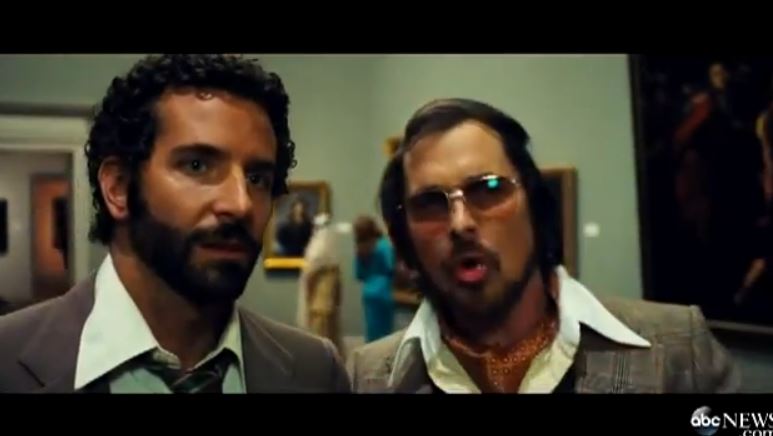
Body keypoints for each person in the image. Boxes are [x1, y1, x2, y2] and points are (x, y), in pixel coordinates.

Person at [0, 54, 350, 393]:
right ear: (118, 187)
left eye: (257, 178)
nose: (240, 204)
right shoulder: (7, 360)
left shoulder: (315, 371)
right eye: (197, 165)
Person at [347, 98, 740, 393]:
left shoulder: (678, 350)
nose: (461, 223)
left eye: (488, 188)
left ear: (535, 205)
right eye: (431, 203)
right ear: (404, 239)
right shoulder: (365, 378)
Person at [297, 213, 343, 353]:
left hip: (321, 303)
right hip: (323, 303)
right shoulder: (327, 250)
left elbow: (310, 278)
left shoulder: (319, 248)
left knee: (322, 340)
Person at [353, 215, 396, 343]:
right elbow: (391, 267)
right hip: (384, 291)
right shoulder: (383, 245)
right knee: (385, 332)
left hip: (368, 292)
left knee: (372, 331)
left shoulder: (360, 250)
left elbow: (358, 275)